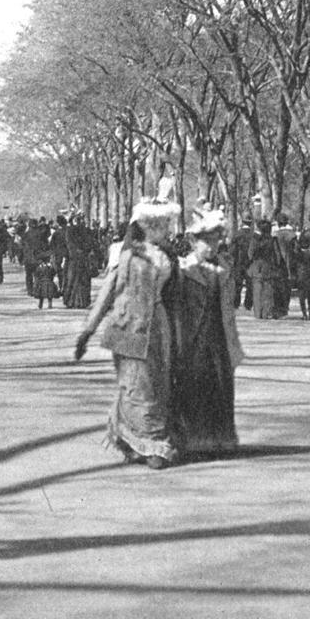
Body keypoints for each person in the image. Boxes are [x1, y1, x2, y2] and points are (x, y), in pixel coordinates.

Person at [74, 200, 181, 469]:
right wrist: (88, 330)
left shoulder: (167, 255)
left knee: (157, 385)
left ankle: (135, 440)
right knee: (138, 387)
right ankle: (153, 443)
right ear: (148, 226)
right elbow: (107, 292)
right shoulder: (126, 255)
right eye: (163, 224)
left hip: (158, 326)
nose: (168, 229)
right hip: (129, 327)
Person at [169, 209, 243, 456]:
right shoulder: (185, 269)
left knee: (220, 386)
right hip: (192, 338)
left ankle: (220, 438)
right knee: (194, 387)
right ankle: (194, 440)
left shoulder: (224, 268)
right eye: (206, 242)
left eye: (215, 241)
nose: (211, 247)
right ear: (193, 242)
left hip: (219, 337)